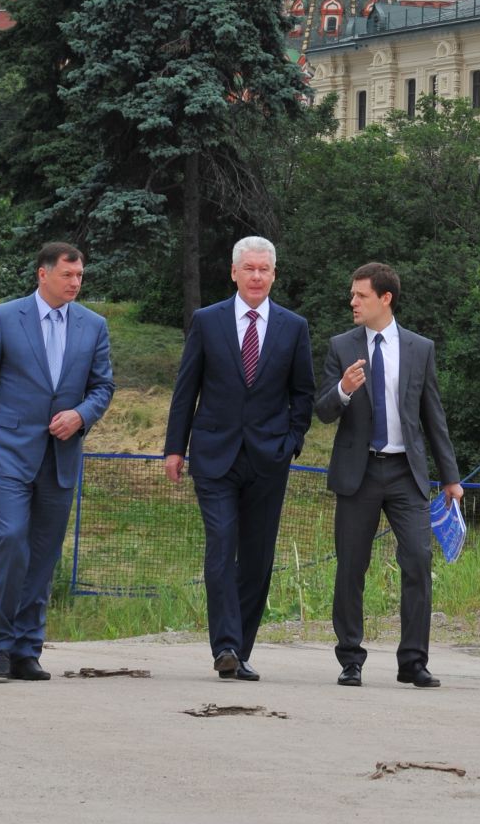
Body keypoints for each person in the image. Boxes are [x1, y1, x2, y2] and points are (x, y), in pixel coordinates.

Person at [0, 242, 114, 680]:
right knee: (11, 539)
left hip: (61, 458)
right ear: (43, 274)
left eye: (80, 276)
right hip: (8, 451)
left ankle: (27, 648)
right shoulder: (6, 318)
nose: (76, 283)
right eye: (68, 275)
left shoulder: (94, 325)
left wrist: (81, 415)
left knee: (44, 554)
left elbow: (103, 387)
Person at [163, 237, 315, 681]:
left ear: (274, 274)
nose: (256, 277)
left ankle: (240, 651)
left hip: (269, 459)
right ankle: (224, 645)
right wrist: (176, 447)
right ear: (233, 272)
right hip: (214, 457)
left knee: (256, 558)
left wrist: (292, 442)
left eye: (264, 270)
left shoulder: (293, 326)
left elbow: (302, 393)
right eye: (248, 268)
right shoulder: (207, 322)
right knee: (221, 545)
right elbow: (185, 388)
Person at [315, 261, 463, 689]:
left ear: (385, 298)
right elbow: (322, 409)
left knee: (418, 560)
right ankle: (351, 659)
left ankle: (413, 662)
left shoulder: (420, 348)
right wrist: (343, 388)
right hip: (358, 474)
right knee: (351, 568)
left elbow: (433, 416)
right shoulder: (341, 346)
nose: (352, 302)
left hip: (405, 473)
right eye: (352, 294)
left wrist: (450, 478)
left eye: (360, 295)